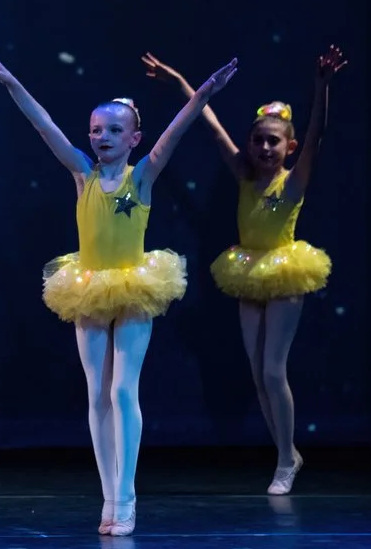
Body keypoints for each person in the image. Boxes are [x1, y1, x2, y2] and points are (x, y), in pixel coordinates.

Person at [0, 44, 235, 535]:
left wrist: (203, 92)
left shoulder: (142, 177)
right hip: (89, 287)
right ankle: (107, 497)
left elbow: (175, 133)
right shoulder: (82, 174)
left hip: (135, 286)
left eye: (115, 130)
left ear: (134, 137)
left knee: (123, 390)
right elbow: (44, 127)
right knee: (97, 394)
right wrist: (10, 82)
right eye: (97, 130)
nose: (103, 137)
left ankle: (127, 496)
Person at [144, 46, 346, 496]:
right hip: (246, 270)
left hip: (286, 272)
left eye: (274, 141)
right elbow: (210, 123)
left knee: (274, 371)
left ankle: (284, 461)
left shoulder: (293, 180)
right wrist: (180, 82)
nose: (265, 147)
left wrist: (321, 86)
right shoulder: (242, 173)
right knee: (257, 375)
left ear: (288, 147)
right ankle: (288, 453)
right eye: (258, 140)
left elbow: (317, 134)